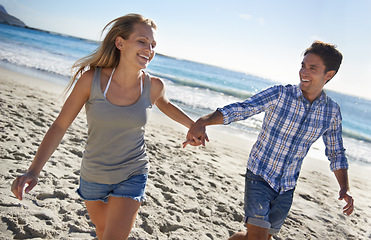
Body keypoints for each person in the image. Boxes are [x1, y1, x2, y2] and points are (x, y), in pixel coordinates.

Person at [11, 14, 202, 240]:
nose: (149, 49)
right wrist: (34, 169)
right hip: (93, 176)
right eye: (142, 41)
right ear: (120, 43)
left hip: (133, 172)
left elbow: (167, 106)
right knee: (102, 233)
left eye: (153, 45)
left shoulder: (153, 86)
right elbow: (60, 125)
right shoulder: (91, 80)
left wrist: (194, 125)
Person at [183, 41, 354, 240]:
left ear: (329, 75)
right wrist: (205, 121)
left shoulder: (331, 112)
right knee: (257, 237)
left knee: (256, 237)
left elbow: (336, 152)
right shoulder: (280, 94)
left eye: (312, 68)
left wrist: (344, 187)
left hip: (287, 187)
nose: (304, 72)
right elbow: (243, 109)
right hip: (259, 176)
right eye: (303, 65)